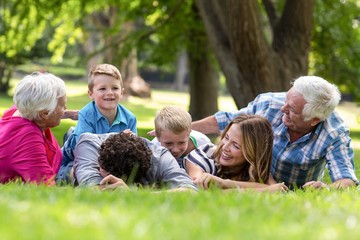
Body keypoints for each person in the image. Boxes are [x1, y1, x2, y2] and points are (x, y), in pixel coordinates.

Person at [192, 76, 358, 189]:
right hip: (251, 180)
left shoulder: (334, 134)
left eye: (291, 109)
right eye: (286, 99)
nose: (282, 108)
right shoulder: (269, 104)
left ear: (314, 120)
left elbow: (346, 178)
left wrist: (327, 189)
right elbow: (228, 120)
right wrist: (182, 129)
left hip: (288, 189)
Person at [57, 63, 137, 184]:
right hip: (77, 155)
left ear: (121, 92)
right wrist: (118, 138)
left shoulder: (130, 118)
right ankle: (71, 136)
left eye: (115, 88)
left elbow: (134, 150)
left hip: (108, 160)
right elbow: (84, 149)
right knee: (75, 175)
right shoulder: (86, 114)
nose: (110, 93)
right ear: (91, 94)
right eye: (102, 89)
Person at [185, 115, 288, 192]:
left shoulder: (253, 167)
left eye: (236, 145)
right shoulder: (203, 155)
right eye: (226, 137)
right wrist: (264, 191)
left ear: (253, 153)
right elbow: (200, 191)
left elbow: (279, 190)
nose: (225, 147)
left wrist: (224, 183)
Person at [0, 72, 67, 185]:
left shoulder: (22, 111)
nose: (65, 108)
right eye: (62, 105)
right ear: (44, 114)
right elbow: (46, 185)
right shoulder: (27, 138)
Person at [73, 132, 198, 192]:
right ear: (100, 163)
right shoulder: (90, 146)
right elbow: (93, 188)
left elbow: (190, 191)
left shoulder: (160, 158)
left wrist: (133, 193)